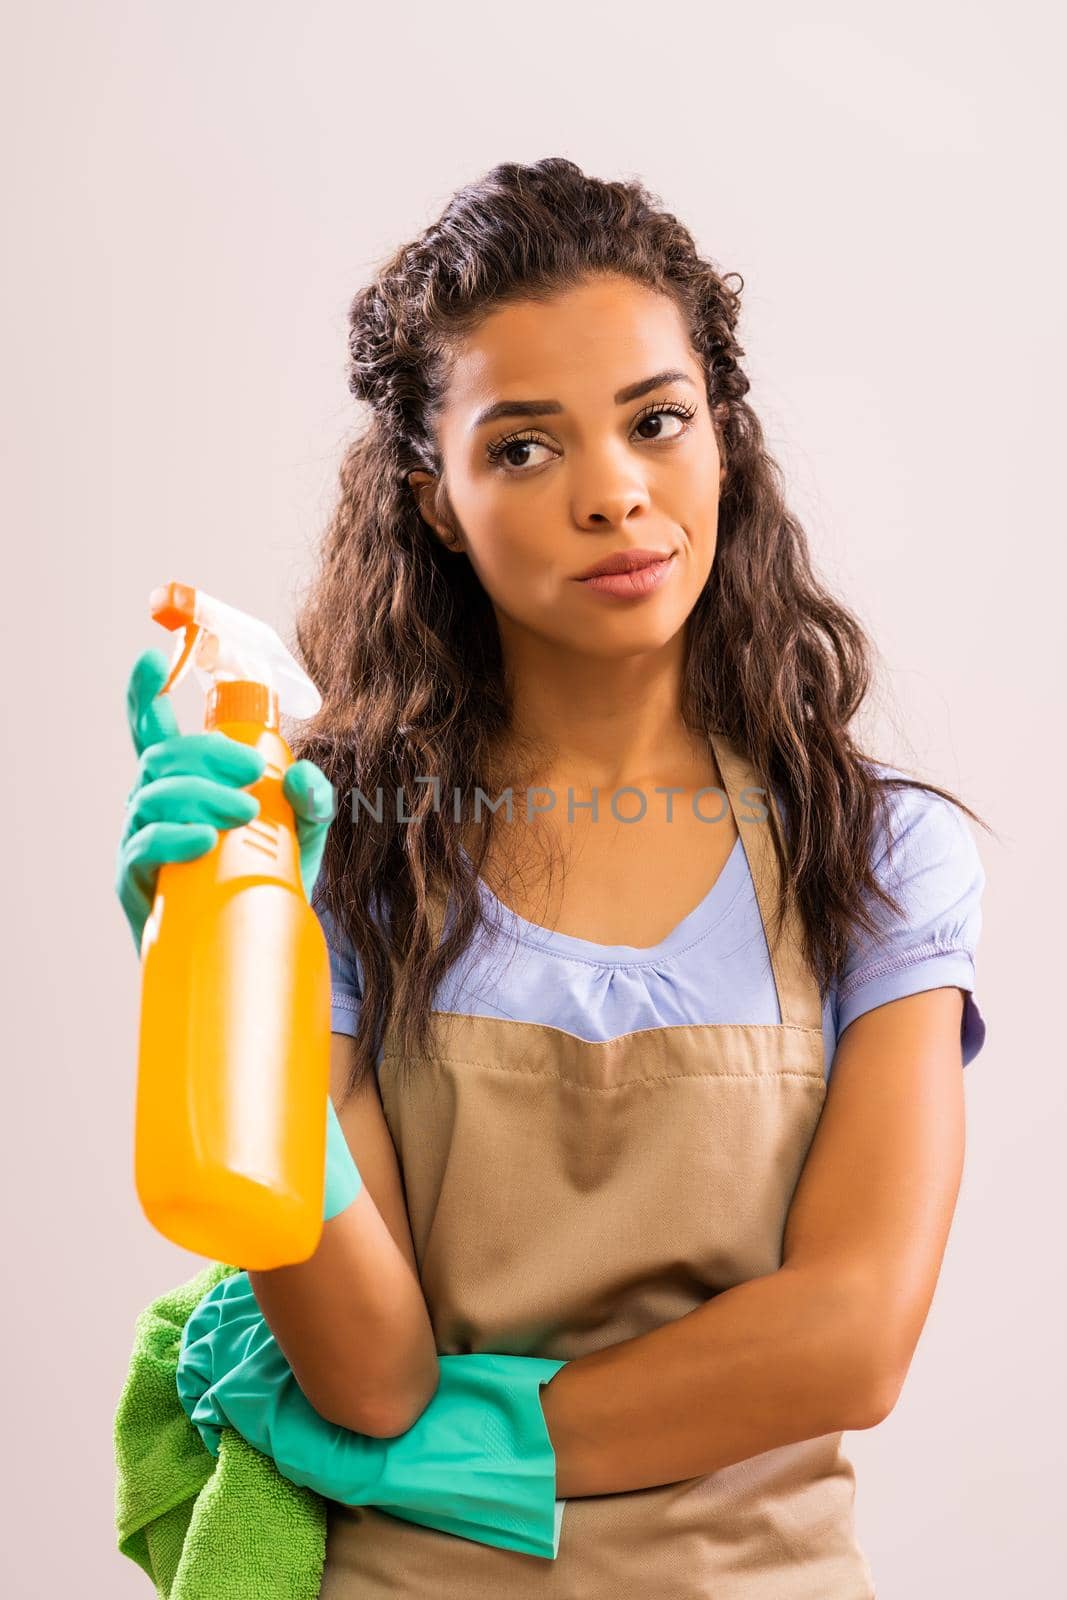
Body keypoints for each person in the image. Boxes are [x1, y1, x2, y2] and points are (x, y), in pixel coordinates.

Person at [121, 157, 990, 1596]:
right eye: (523, 447)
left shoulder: (877, 857)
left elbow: (854, 1334)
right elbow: (368, 1364)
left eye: (658, 421)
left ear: (725, 439)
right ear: (437, 499)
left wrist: (464, 1454)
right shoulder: (338, 857)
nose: (615, 495)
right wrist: (223, 974)